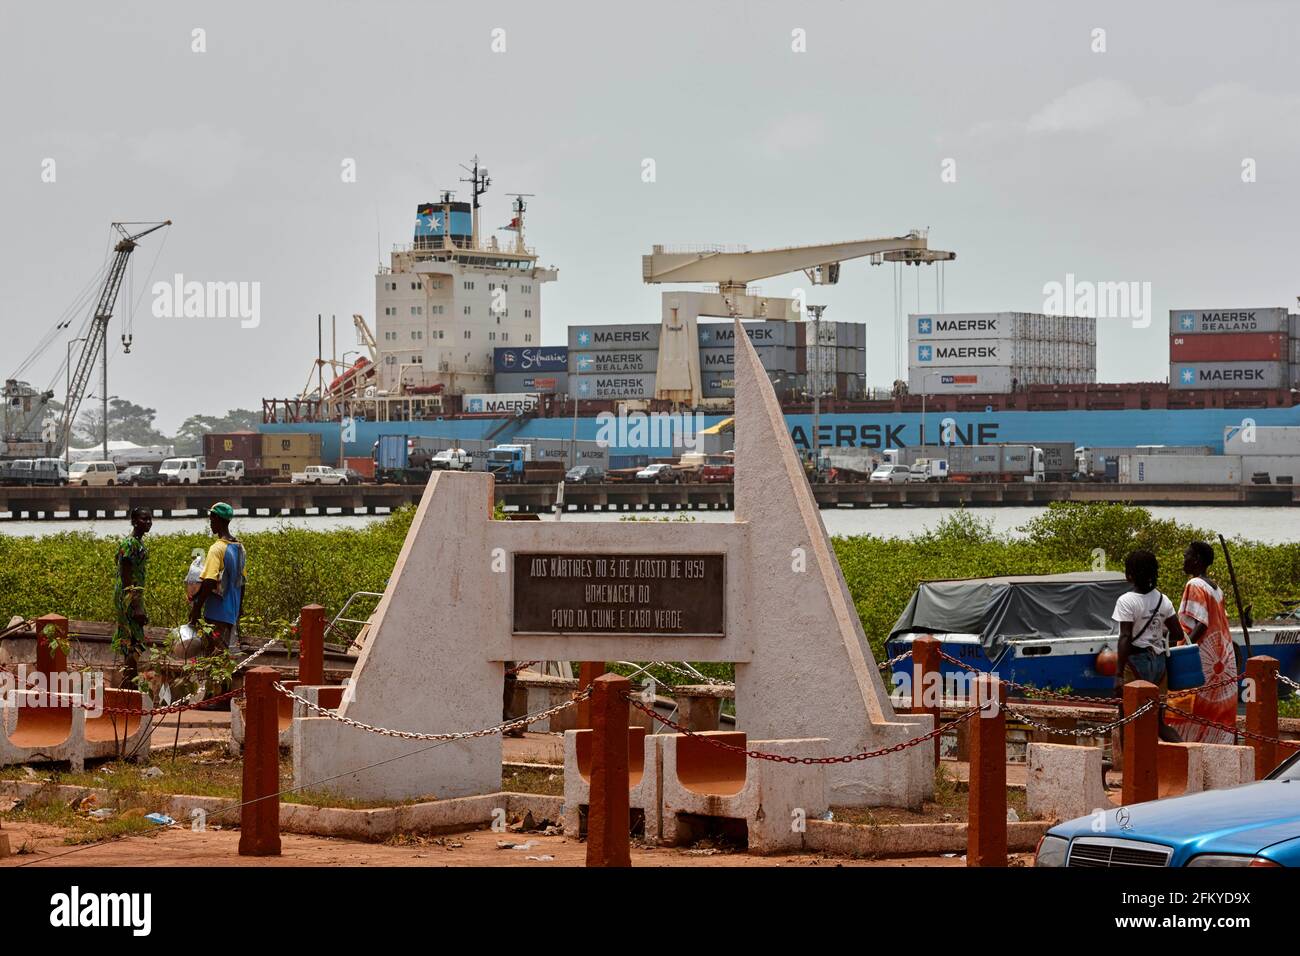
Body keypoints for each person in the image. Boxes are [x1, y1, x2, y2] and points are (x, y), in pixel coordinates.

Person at [1165, 540, 1239, 744]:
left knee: (1186, 709)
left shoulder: (1194, 584)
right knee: (1216, 716)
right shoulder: (1216, 588)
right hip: (1222, 660)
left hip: (1201, 661)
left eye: (1186, 556)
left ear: (1196, 560)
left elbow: (1201, 624)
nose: (1184, 560)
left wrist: (1182, 650)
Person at [1111, 549, 1181, 746]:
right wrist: (1158, 634)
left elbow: (1125, 637)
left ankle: (1128, 771)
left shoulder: (1126, 601)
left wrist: (1118, 674)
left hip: (1135, 663)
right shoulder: (1163, 600)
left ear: (1130, 574)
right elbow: (1178, 634)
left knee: (1128, 719)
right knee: (1159, 723)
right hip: (1159, 664)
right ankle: (1186, 755)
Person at [187, 502, 247, 656]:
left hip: (216, 612)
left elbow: (209, 581)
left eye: (212, 519)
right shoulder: (240, 547)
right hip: (231, 612)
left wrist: (197, 607)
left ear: (217, 519)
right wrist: (239, 608)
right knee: (224, 655)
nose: (210, 523)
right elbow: (242, 582)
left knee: (214, 656)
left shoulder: (217, 548)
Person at [113, 507, 153, 686]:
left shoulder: (138, 542)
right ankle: (128, 682)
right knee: (134, 640)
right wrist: (136, 604)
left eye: (150, 519)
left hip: (133, 595)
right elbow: (126, 574)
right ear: (135, 521)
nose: (148, 522)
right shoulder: (129, 544)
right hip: (129, 596)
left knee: (132, 639)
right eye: (144, 519)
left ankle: (130, 681)